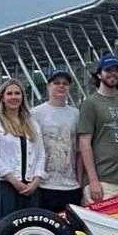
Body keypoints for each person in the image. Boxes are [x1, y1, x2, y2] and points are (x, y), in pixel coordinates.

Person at [0, 79, 46, 223]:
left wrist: (36, 180)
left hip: (30, 188)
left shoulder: (33, 124)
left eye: (17, 93)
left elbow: (40, 154)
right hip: (5, 187)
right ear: (2, 98)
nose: (14, 97)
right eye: (9, 93)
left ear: (22, 97)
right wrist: (15, 182)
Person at [78, 54, 118, 203]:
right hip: (101, 183)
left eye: (117, 70)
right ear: (99, 74)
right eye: (108, 70)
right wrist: (93, 180)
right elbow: (84, 143)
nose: (113, 74)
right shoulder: (90, 104)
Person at [32, 68, 82, 213]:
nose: (61, 86)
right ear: (48, 86)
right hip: (43, 186)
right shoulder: (36, 113)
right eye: (57, 83)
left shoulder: (75, 114)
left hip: (70, 185)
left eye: (65, 83)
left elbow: (78, 149)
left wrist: (79, 179)